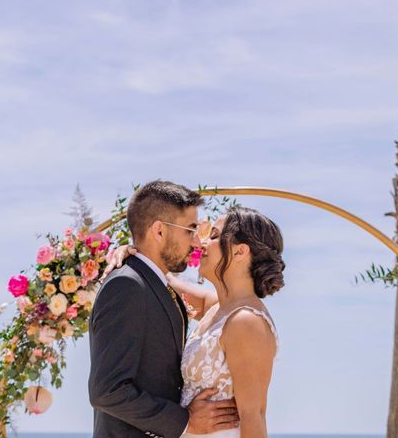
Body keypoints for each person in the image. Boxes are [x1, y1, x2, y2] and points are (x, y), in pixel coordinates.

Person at [108, 205, 286, 438]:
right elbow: (163, 280)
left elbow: (254, 416)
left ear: (241, 251)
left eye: (214, 236)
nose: (202, 243)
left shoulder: (246, 322)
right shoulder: (217, 308)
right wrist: (135, 255)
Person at [88, 181, 240, 438]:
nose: (196, 242)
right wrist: (185, 422)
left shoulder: (153, 282)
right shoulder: (127, 285)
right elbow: (107, 391)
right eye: (190, 230)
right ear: (159, 231)